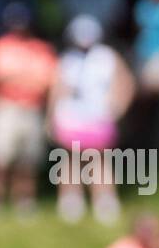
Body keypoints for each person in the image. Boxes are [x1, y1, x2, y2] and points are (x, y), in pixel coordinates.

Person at [47, 15, 135, 224]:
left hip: (98, 117)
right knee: (70, 160)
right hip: (71, 117)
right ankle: (70, 200)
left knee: (99, 160)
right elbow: (58, 89)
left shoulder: (108, 57)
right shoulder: (68, 60)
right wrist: (51, 116)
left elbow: (125, 84)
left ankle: (104, 200)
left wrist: (118, 109)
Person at [0, 5, 58, 213]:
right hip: (5, 107)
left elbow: (46, 81)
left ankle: (24, 201)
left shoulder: (42, 49)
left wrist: (18, 77)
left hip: (32, 109)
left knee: (28, 159)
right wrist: (28, 78)